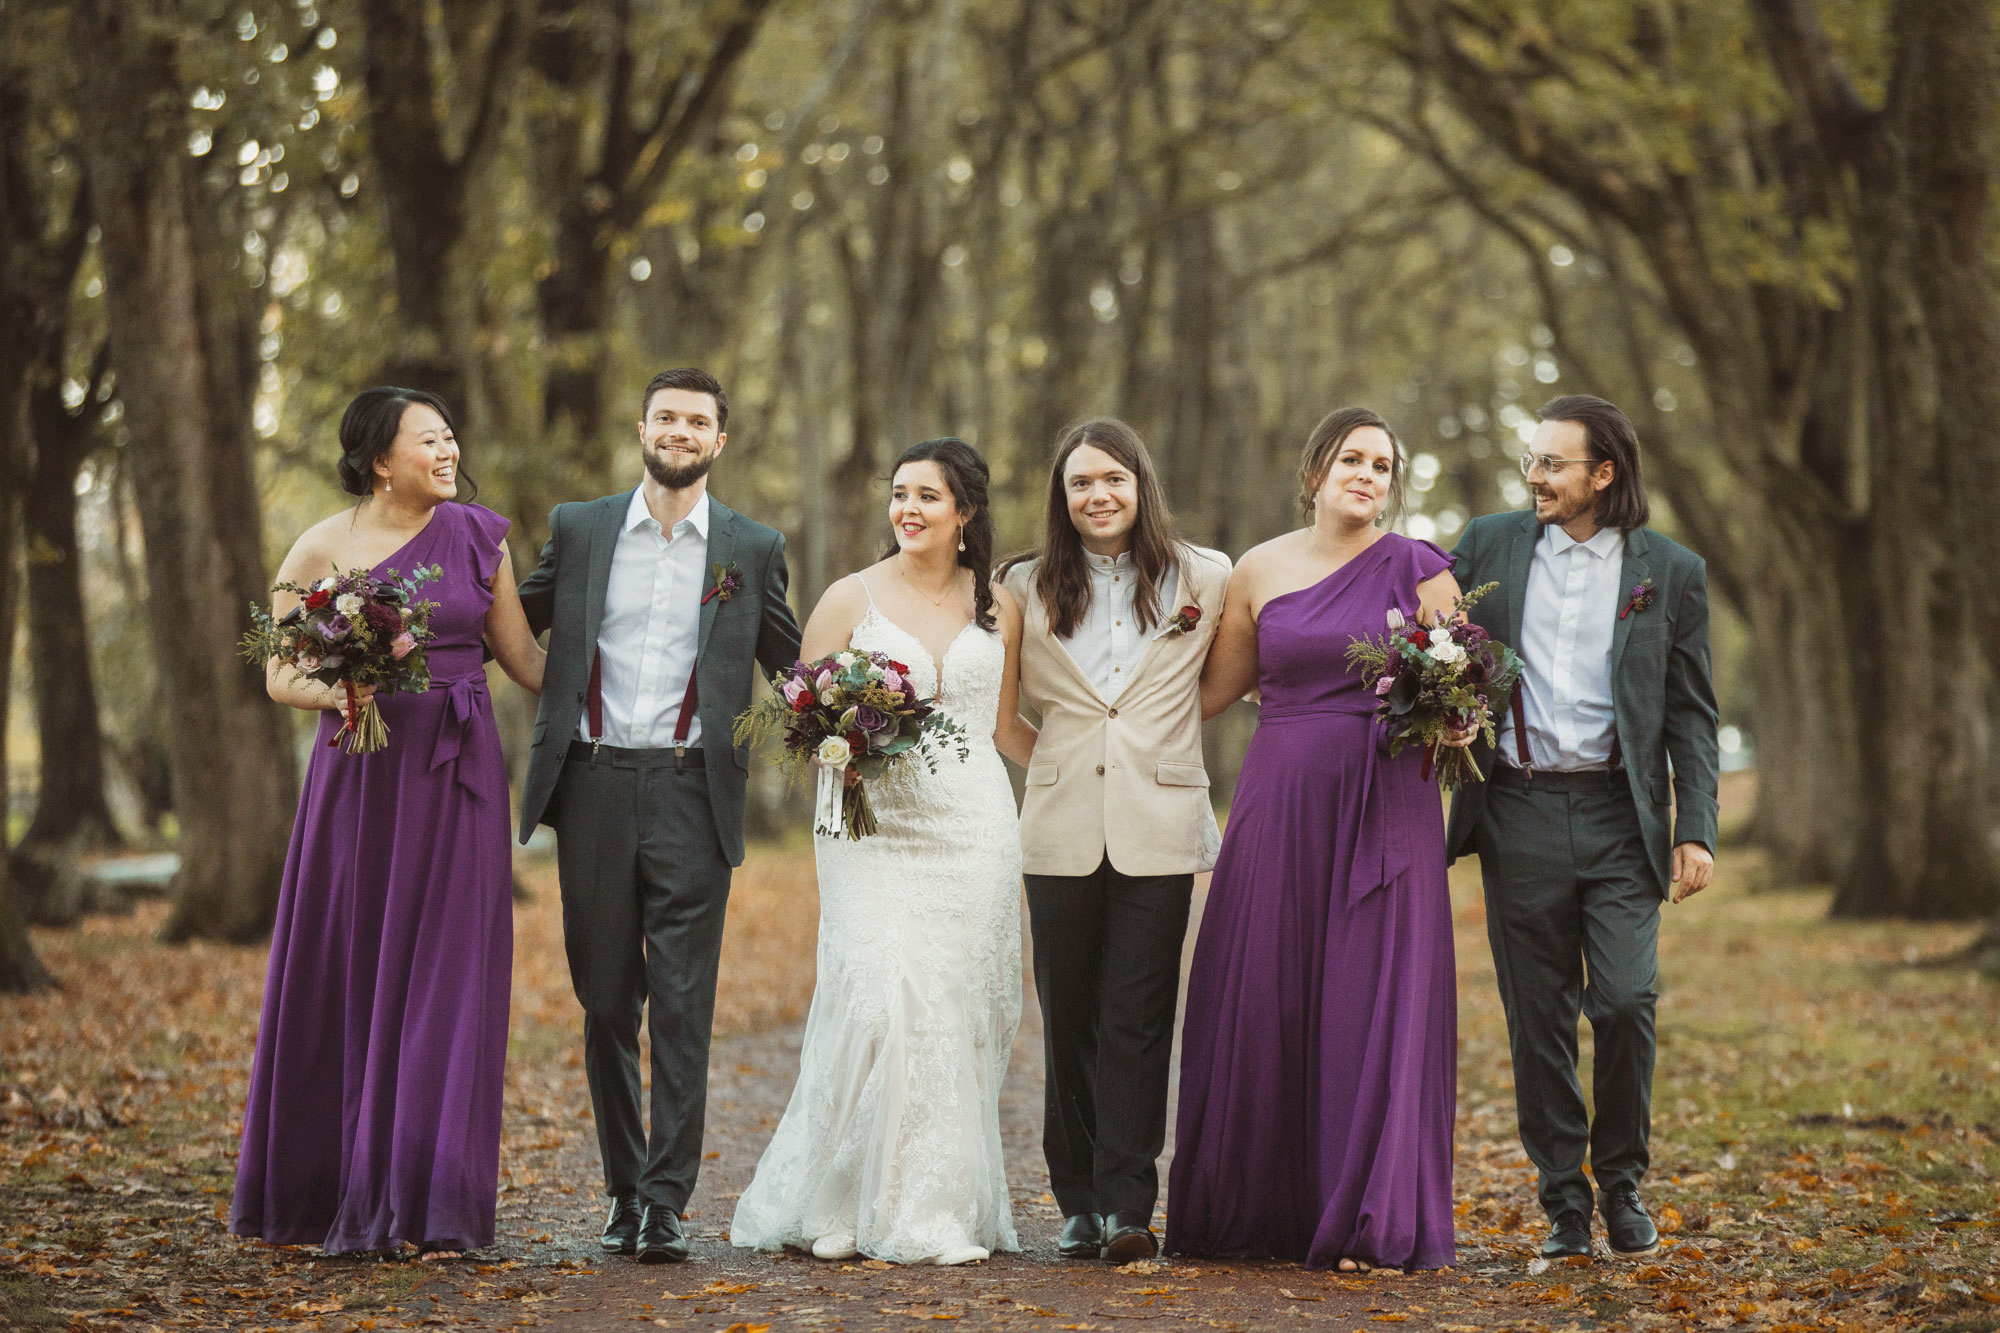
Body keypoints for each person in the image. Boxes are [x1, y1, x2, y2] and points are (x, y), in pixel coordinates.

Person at [233, 387, 546, 1258]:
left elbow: (522, 659)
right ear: (380, 460)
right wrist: (340, 687)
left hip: (459, 778)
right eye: (429, 441)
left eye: (451, 438)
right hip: (359, 783)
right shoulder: (322, 544)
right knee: (351, 965)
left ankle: (428, 1196)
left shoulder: (483, 536)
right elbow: (278, 673)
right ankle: (329, 1182)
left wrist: (631, 684)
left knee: (449, 977)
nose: (448, 452)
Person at [515, 367, 803, 1264]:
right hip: (593, 783)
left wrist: (872, 713)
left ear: (720, 441)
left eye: (698, 421)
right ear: (642, 427)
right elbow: (505, 626)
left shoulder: (751, 548)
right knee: (606, 1001)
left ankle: (667, 1200)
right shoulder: (580, 526)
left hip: (691, 788)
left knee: (682, 1002)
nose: (679, 431)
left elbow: (796, 666)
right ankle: (622, 1184)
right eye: (666, 416)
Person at [1167, 408, 1464, 1273]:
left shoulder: (1421, 568)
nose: (1368, 474)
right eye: (1351, 459)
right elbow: (1215, 689)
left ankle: (1371, 1206)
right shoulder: (1258, 568)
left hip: (1389, 802)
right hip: (1283, 798)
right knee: (1269, 982)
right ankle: (1261, 1203)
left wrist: (1455, 723)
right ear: (1315, 472)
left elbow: (1463, 703)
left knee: (1371, 993)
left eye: (1382, 463)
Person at [731, 438, 1037, 1267]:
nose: (907, 508)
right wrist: (847, 737)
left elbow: (1006, 726)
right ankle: (838, 1194)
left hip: (973, 823)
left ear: (965, 512)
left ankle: (928, 1207)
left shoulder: (1000, 604)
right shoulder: (848, 597)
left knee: (949, 1006)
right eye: (899, 494)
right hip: (871, 823)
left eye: (928, 497)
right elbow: (802, 714)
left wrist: (1087, 773)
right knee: (876, 996)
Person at [1446, 394, 1718, 1262]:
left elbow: (1692, 714)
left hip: (1618, 816)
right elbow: (1420, 620)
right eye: (1532, 460)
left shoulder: (1669, 571)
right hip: (1516, 808)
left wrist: (1698, 826)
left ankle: (1622, 1179)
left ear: (1604, 473)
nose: (1536, 477)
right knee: (1539, 1017)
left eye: (1554, 464)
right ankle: (1564, 1202)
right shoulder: (1488, 544)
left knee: (1628, 1000)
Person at [998, 419, 1230, 1264]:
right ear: (1063, 497)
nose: (1098, 496)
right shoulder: (1021, 584)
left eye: (1113, 480)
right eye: (1081, 484)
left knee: (1138, 1016)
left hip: (1160, 829)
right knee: (1068, 1016)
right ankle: (1078, 1198)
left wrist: (1154, 749)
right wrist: (1063, 762)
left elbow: (1219, 682)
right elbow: (1005, 717)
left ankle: (1130, 1205)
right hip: (1058, 829)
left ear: (1142, 485)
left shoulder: (1207, 575)